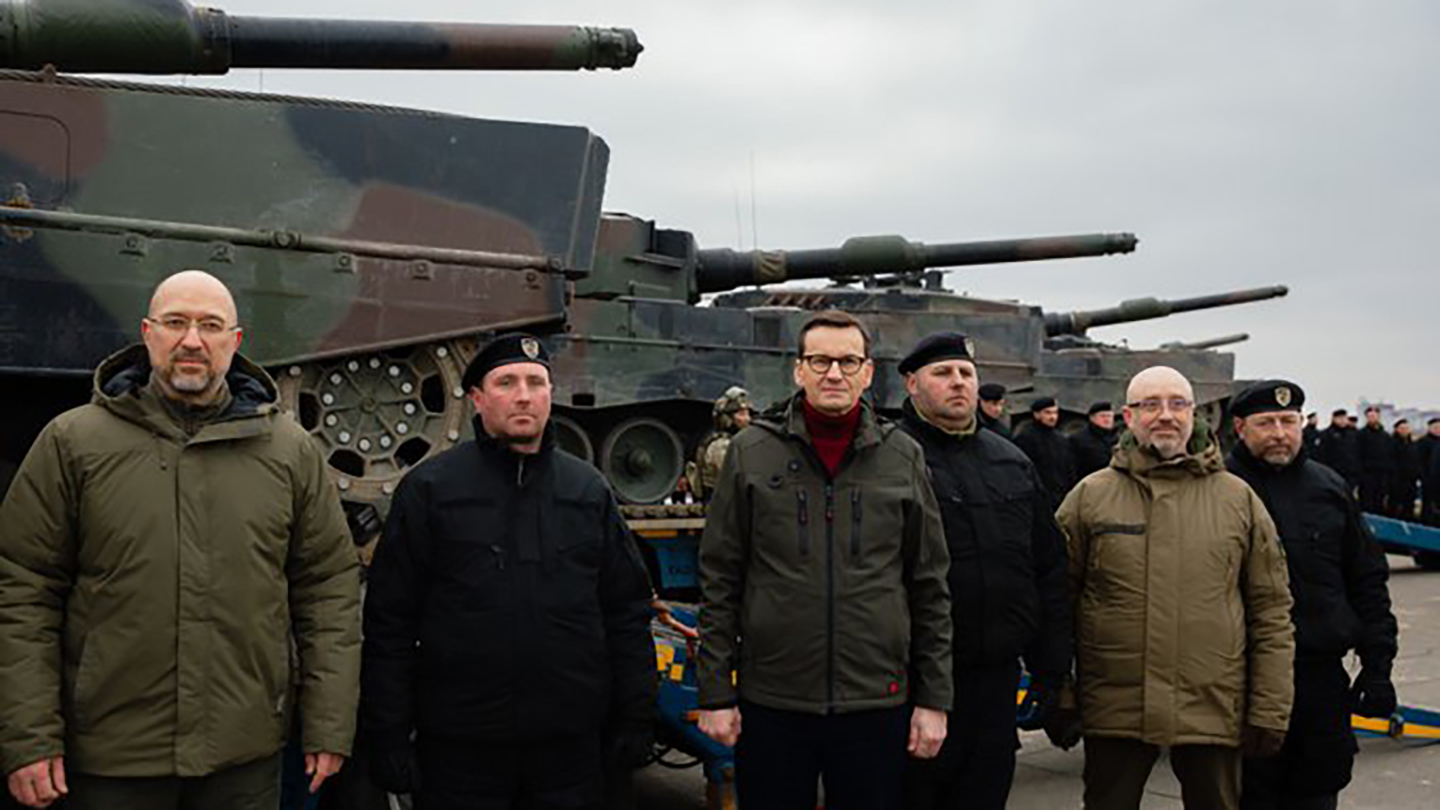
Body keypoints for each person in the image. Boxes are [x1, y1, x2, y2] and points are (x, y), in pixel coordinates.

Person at [0, 270, 360, 810]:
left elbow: (327, 589)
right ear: (147, 333)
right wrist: (30, 736)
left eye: (210, 325)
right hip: (113, 759)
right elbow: (23, 592)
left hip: (243, 758)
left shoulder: (289, 452)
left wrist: (329, 723)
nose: (192, 340)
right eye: (176, 322)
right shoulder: (74, 443)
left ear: (234, 341)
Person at [360, 333, 656, 810]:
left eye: (536, 382)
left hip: (569, 750)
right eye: (506, 382)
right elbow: (390, 623)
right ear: (477, 399)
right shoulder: (431, 490)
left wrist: (636, 715)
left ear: (550, 394)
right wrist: (388, 733)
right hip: (461, 750)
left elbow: (626, 611)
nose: (523, 395)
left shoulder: (587, 491)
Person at [696, 310, 953, 810]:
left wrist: (934, 699)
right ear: (799, 370)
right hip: (774, 701)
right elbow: (721, 577)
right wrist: (715, 693)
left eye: (848, 361)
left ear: (867, 372)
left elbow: (929, 584)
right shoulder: (752, 452)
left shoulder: (902, 456)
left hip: (875, 700)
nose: (834, 373)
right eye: (820, 361)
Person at [1056, 366, 1294, 810]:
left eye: (1177, 404)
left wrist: (1269, 707)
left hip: (1213, 704)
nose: (1165, 415)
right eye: (1150, 404)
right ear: (1129, 416)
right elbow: (1057, 604)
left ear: (1194, 413)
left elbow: (1271, 611)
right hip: (1115, 706)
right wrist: (1061, 693)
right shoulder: (1090, 497)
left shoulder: (1237, 500)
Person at [894, 333, 1071, 810]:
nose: (958, 383)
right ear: (912, 383)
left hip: (995, 683)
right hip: (913, 684)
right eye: (943, 373)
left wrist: (1051, 669)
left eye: (966, 373)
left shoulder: (1010, 459)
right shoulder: (888, 459)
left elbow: (1048, 567)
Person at [1225, 380, 1398, 810]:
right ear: (1240, 427)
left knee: (1318, 790)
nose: (1280, 433)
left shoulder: (1329, 487)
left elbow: (1367, 580)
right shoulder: (1217, 491)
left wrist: (1377, 667)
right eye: (1266, 423)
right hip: (1240, 680)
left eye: (1289, 421)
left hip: (1318, 677)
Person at [687, 386, 753, 501]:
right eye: (741, 414)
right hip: (723, 504)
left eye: (747, 414)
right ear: (727, 419)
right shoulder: (720, 445)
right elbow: (734, 477)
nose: (747, 419)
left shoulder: (734, 442)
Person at [1014, 397, 1077, 508]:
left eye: (1055, 413)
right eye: (1048, 413)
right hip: (1037, 498)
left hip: (1059, 496)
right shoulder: (1026, 438)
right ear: (1036, 414)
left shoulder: (1061, 439)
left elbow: (1068, 467)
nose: (1053, 417)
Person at [1356, 406, 1394, 515]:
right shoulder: (1361, 434)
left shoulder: (1385, 436)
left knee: (1380, 503)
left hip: (1382, 475)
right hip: (1367, 475)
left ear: (1378, 417)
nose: (1372, 418)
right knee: (1367, 504)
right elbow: (1357, 454)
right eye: (1370, 416)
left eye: (1374, 416)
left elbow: (1390, 455)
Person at [1069, 401, 1118, 480]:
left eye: (1109, 416)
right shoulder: (1079, 439)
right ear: (1092, 418)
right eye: (1102, 416)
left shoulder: (1117, 438)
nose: (1107, 419)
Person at [1314, 409, 1359, 490]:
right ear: (1334, 419)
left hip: (1350, 473)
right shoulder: (1326, 434)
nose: (1342, 421)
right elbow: (1321, 455)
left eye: (1344, 418)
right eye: (1339, 418)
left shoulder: (1353, 434)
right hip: (1333, 472)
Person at [1390, 420, 1420, 520]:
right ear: (1397, 430)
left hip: (1411, 481)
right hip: (1396, 481)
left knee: (1409, 506)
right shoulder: (1392, 443)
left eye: (1406, 428)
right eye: (1402, 428)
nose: (1405, 430)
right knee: (1395, 506)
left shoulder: (1413, 444)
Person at [1420, 418, 1440, 526]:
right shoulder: (1423, 442)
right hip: (1428, 480)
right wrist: (1424, 478)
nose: (1438, 430)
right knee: (1428, 506)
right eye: (1435, 427)